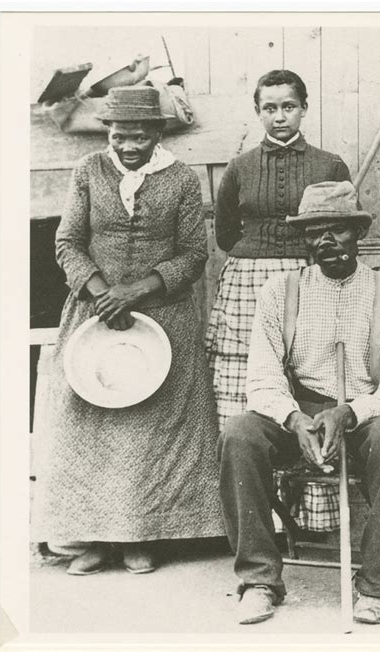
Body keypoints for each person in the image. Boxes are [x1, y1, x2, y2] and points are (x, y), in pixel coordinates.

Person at [32, 86, 224, 575]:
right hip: (95, 315)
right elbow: (68, 242)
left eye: (138, 136)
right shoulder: (89, 171)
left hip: (162, 315)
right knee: (91, 423)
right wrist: (101, 292)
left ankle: (142, 537)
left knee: (149, 429)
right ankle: (94, 539)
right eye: (119, 136)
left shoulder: (179, 178)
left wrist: (134, 292)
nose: (128, 146)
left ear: (157, 132)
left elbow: (193, 255)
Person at [218, 181, 380, 625]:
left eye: (337, 230)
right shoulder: (278, 292)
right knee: (239, 432)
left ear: (357, 233)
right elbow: (263, 379)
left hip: (363, 415)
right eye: (314, 232)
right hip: (301, 415)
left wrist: (350, 412)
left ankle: (378, 584)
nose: (325, 241)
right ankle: (260, 580)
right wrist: (292, 418)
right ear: (303, 239)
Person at [206, 69, 353, 533]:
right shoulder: (240, 167)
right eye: (269, 108)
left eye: (288, 106)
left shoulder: (329, 165)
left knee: (310, 383)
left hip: (312, 279)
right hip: (249, 281)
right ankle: (255, 517)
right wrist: (260, 259)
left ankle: (314, 515)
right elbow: (227, 232)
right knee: (245, 392)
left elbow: (341, 228)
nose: (279, 116)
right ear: (258, 112)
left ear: (304, 109)